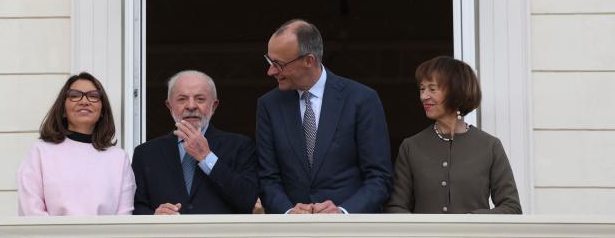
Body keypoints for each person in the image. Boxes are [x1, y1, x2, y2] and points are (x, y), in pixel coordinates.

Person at [256, 19, 392, 214]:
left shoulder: (361, 99)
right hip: (291, 232)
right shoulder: (269, 105)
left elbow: (380, 178)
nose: (271, 71)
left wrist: (343, 212)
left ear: (309, 60)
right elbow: (268, 178)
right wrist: (288, 212)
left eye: (278, 64)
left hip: (349, 230)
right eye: (269, 61)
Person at [385, 56, 522, 214]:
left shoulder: (490, 146)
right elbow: (396, 207)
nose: (424, 96)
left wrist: (469, 222)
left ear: (456, 91)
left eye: (432, 89)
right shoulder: (411, 147)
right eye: (422, 89)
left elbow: (511, 208)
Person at [132, 70, 258, 214]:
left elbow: (249, 200)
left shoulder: (240, 146)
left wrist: (207, 157)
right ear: (169, 106)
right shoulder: (146, 153)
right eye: (182, 99)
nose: (191, 106)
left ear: (214, 106)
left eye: (200, 99)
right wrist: (154, 215)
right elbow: (135, 207)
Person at [17, 72, 135, 215]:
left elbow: (124, 218)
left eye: (93, 96)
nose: (84, 101)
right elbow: (31, 211)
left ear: (102, 110)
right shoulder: (40, 152)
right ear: (63, 109)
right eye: (74, 95)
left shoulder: (119, 158)